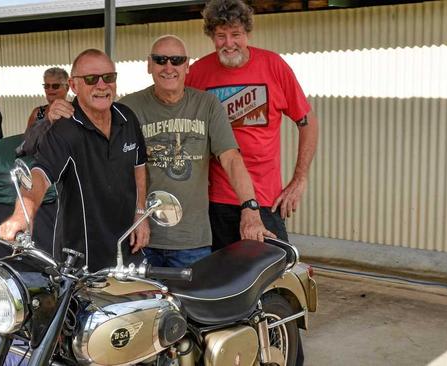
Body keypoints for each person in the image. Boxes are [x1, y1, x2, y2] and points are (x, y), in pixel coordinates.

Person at [117, 35, 273, 268]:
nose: (168, 67)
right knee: (141, 304)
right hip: (139, 236)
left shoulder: (207, 105)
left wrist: (250, 208)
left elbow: (230, 158)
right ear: (149, 64)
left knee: (194, 304)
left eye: (176, 60)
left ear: (187, 65)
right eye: (160, 60)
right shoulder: (128, 107)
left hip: (191, 240)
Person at [186, 0, 319, 249]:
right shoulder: (197, 73)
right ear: (211, 36)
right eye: (220, 36)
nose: (229, 43)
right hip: (215, 202)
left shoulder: (273, 66)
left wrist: (299, 179)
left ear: (246, 33)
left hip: (266, 199)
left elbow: (308, 121)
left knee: (272, 278)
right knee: (221, 281)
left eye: (235, 34)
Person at [0, 49, 149, 271]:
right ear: (73, 85)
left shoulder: (127, 117)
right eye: (91, 79)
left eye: (109, 77)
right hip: (81, 258)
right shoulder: (64, 129)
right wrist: (22, 215)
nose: (101, 85)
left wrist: (141, 215)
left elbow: (139, 167)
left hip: (129, 249)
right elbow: (41, 174)